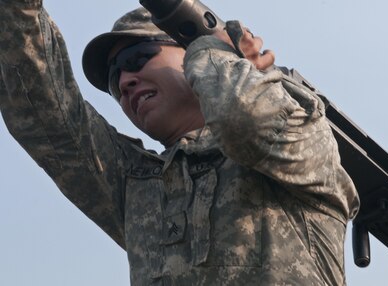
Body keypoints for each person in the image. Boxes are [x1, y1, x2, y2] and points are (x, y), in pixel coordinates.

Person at [0, 1, 359, 285]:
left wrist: (215, 53)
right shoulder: (139, 187)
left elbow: (244, 121)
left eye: (136, 58)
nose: (125, 80)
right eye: (113, 79)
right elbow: (42, 109)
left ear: (192, 51)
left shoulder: (302, 124)